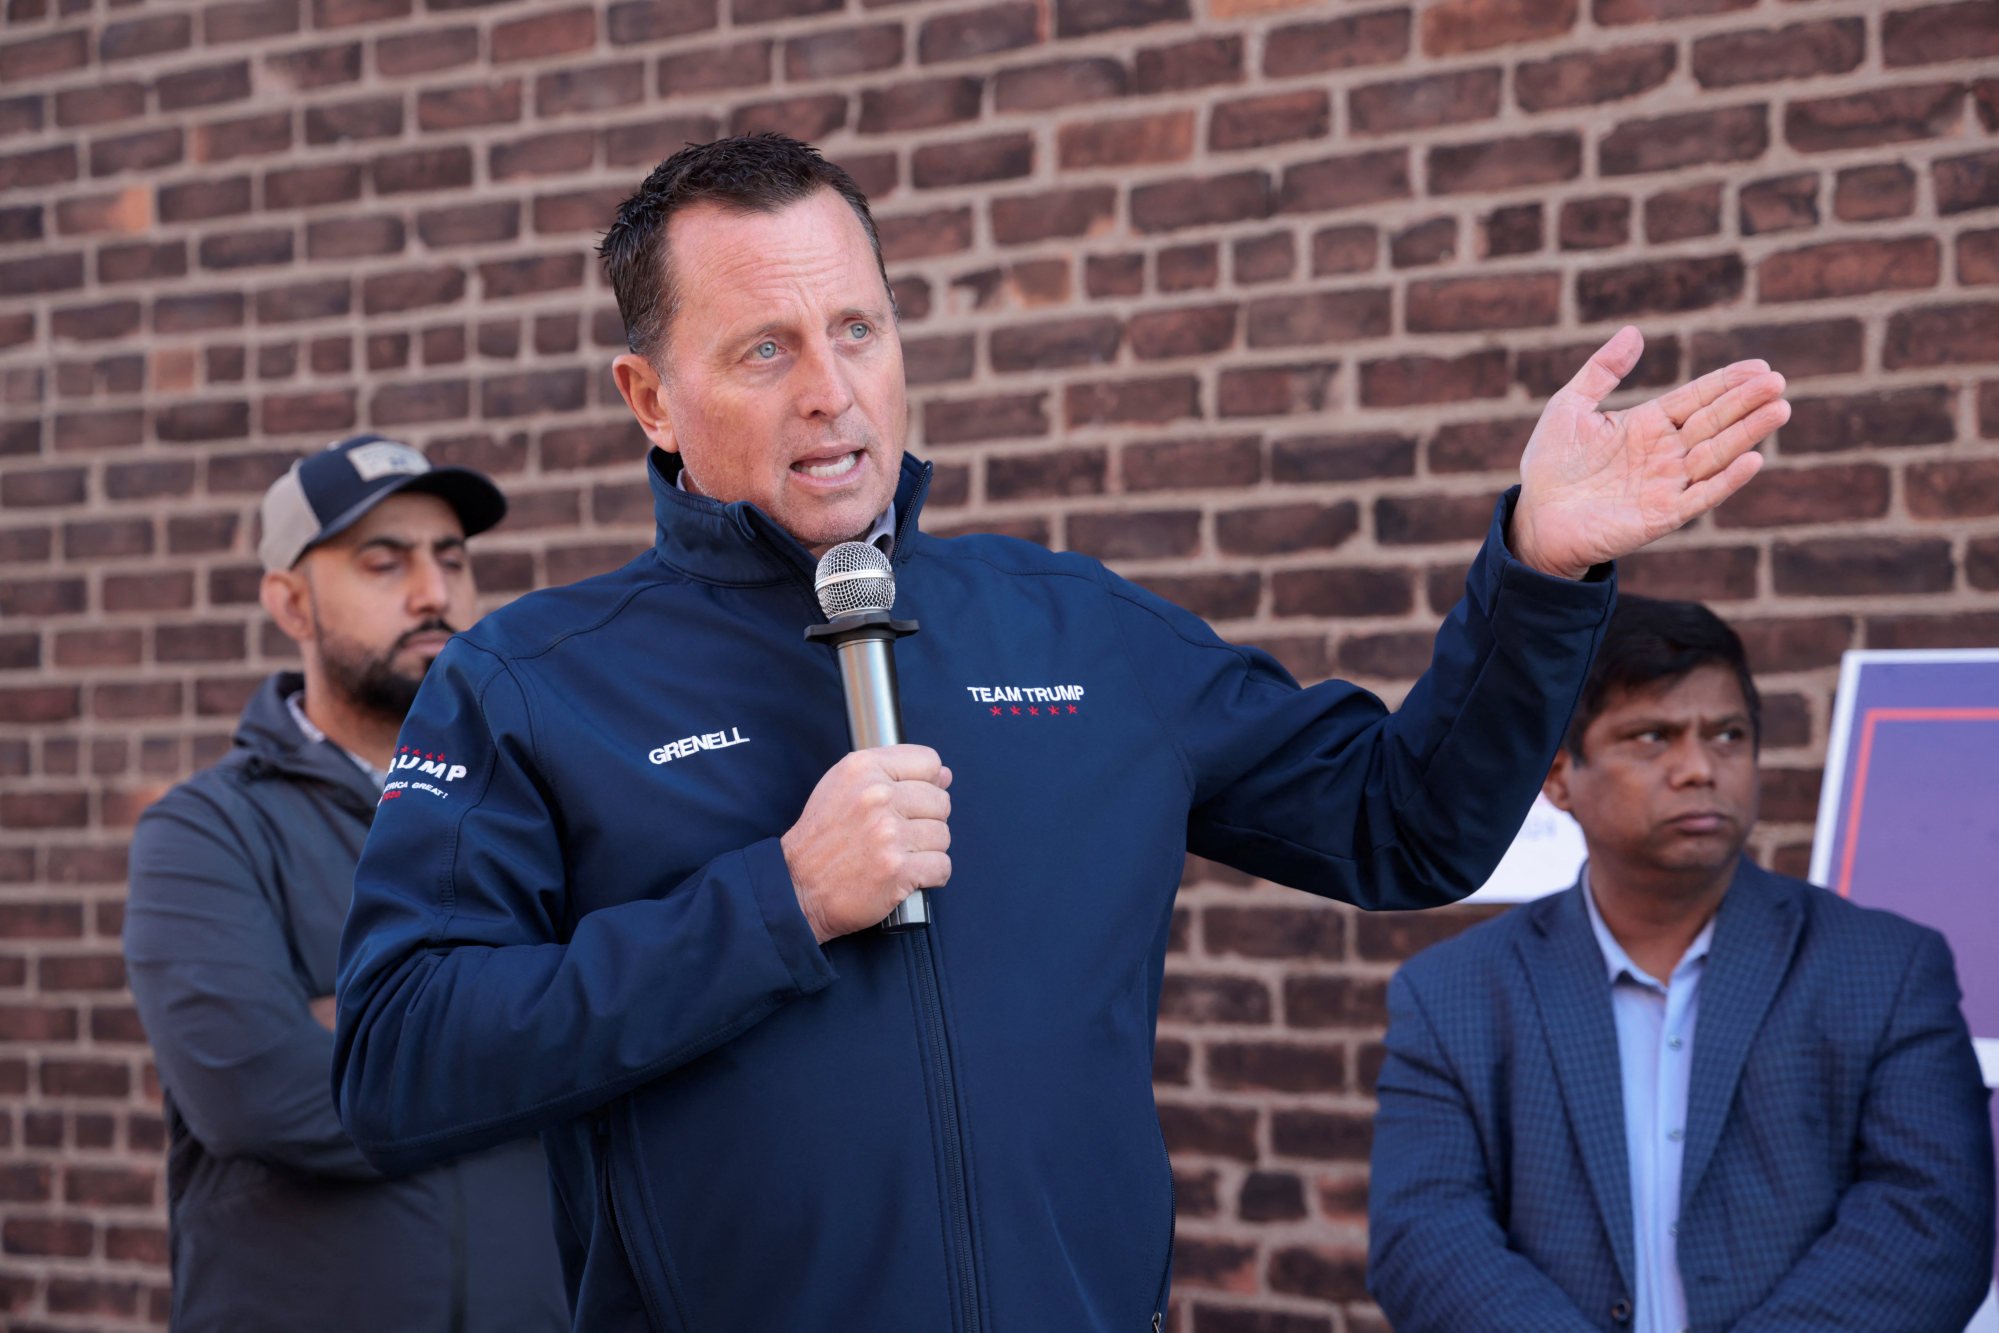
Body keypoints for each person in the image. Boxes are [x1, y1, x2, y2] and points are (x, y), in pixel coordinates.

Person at [331, 134, 1791, 1332]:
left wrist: (1538, 568)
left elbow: (1405, 826)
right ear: (650, 398)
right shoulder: (532, 681)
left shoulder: (1073, 631)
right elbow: (400, 1065)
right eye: (764, 349)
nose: (832, 392)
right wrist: (772, 902)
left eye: (857, 330)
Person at [1368, 595, 1996, 1332]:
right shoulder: (1454, 994)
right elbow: (1424, 1240)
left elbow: (1932, 1225)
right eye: (1652, 736)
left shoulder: (1886, 968)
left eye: (1727, 734)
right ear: (1559, 774)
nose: (1698, 767)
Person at [123, 435, 570, 1331]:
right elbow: (258, 1093)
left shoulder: (537, 815)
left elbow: (639, 1024)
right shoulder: (206, 832)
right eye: (383, 561)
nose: (432, 592)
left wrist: (378, 1030)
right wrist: (541, 1033)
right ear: (289, 601)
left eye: (450, 559)